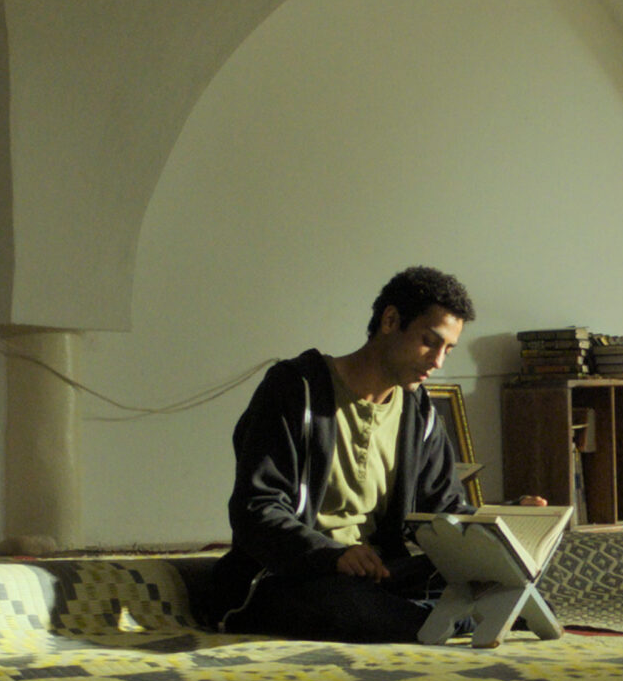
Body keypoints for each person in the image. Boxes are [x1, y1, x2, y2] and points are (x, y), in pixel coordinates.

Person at [207, 267, 527, 642]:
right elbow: (256, 509)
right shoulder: (295, 389)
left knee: (503, 583)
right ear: (390, 321)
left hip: (381, 574)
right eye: (429, 342)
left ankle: (442, 616)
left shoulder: (419, 413)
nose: (438, 361)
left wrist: (503, 520)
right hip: (297, 574)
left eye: (448, 350)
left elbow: (443, 511)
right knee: (349, 606)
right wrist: (330, 554)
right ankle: (446, 619)